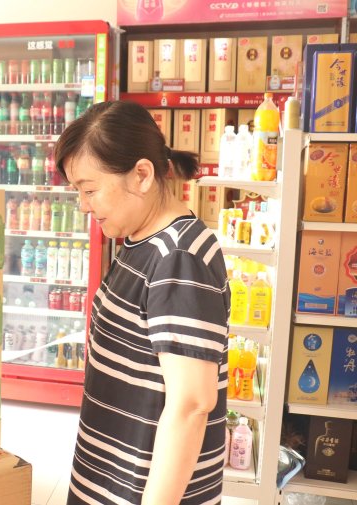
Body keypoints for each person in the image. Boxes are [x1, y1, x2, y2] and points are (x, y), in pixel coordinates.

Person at [53, 101, 229, 505]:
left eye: (90, 190)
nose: (83, 205)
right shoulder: (140, 239)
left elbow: (191, 404)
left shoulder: (178, 259)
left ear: (143, 175)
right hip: (116, 474)